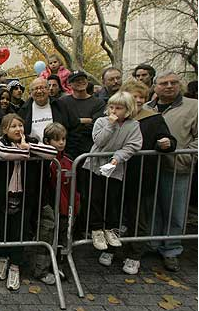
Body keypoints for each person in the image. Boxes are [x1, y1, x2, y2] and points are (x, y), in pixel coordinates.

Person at [0, 113, 57, 291]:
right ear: (5, 129)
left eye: (20, 125)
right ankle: (3, 258)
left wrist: (27, 146)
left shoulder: (31, 140)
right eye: (13, 126)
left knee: (20, 230)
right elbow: (4, 153)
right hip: (4, 195)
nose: (18, 129)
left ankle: (15, 265)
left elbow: (52, 152)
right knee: (4, 228)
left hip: (26, 196)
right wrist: (27, 152)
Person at [119, 81, 176, 275]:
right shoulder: (114, 116)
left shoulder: (154, 119)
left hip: (142, 177)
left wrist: (166, 143)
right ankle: (112, 250)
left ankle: (134, 255)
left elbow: (168, 140)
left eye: (142, 97)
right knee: (115, 216)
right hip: (116, 175)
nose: (138, 100)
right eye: (134, 96)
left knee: (139, 218)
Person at [145, 71, 198, 272]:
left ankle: (171, 249)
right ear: (155, 86)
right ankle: (152, 244)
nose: (169, 86)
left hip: (177, 167)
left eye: (174, 82)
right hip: (149, 168)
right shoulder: (146, 107)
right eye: (164, 83)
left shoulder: (194, 107)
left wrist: (183, 155)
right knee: (152, 208)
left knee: (175, 211)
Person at [82, 92, 142, 267]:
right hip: (94, 166)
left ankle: (111, 229)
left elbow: (133, 145)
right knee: (95, 198)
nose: (114, 111)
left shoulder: (133, 125)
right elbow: (98, 140)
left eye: (119, 108)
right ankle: (96, 229)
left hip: (115, 168)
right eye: (112, 107)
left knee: (113, 200)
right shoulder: (102, 121)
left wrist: (117, 157)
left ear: (128, 109)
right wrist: (110, 124)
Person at [36, 122, 80, 285]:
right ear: (47, 141)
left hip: (66, 207)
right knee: (46, 237)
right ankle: (41, 270)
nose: (61, 142)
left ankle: (58, 267)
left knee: (63, 238)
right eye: (56, 140)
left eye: (63, 139)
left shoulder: (69, 160)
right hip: (49, 205)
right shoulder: (44, 161)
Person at [58, 71, 106, 159]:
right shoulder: (62, 102)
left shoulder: (98, 103)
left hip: (90, 151)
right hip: (69, 150)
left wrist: (73, 123)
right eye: (76, 80)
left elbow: (97, 126)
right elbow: (63, 124)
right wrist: (82, 121)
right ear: (69, 85)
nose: (80, 82)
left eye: (83, 79)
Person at [18, 78, 79, 143]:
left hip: (60, 150)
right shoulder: (24, 110)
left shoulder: (60, 106)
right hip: (34, 150)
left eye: (42, 88)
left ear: (48, 89)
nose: (39, 91)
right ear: (31, 93)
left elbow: (75, 128)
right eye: (35, 89)